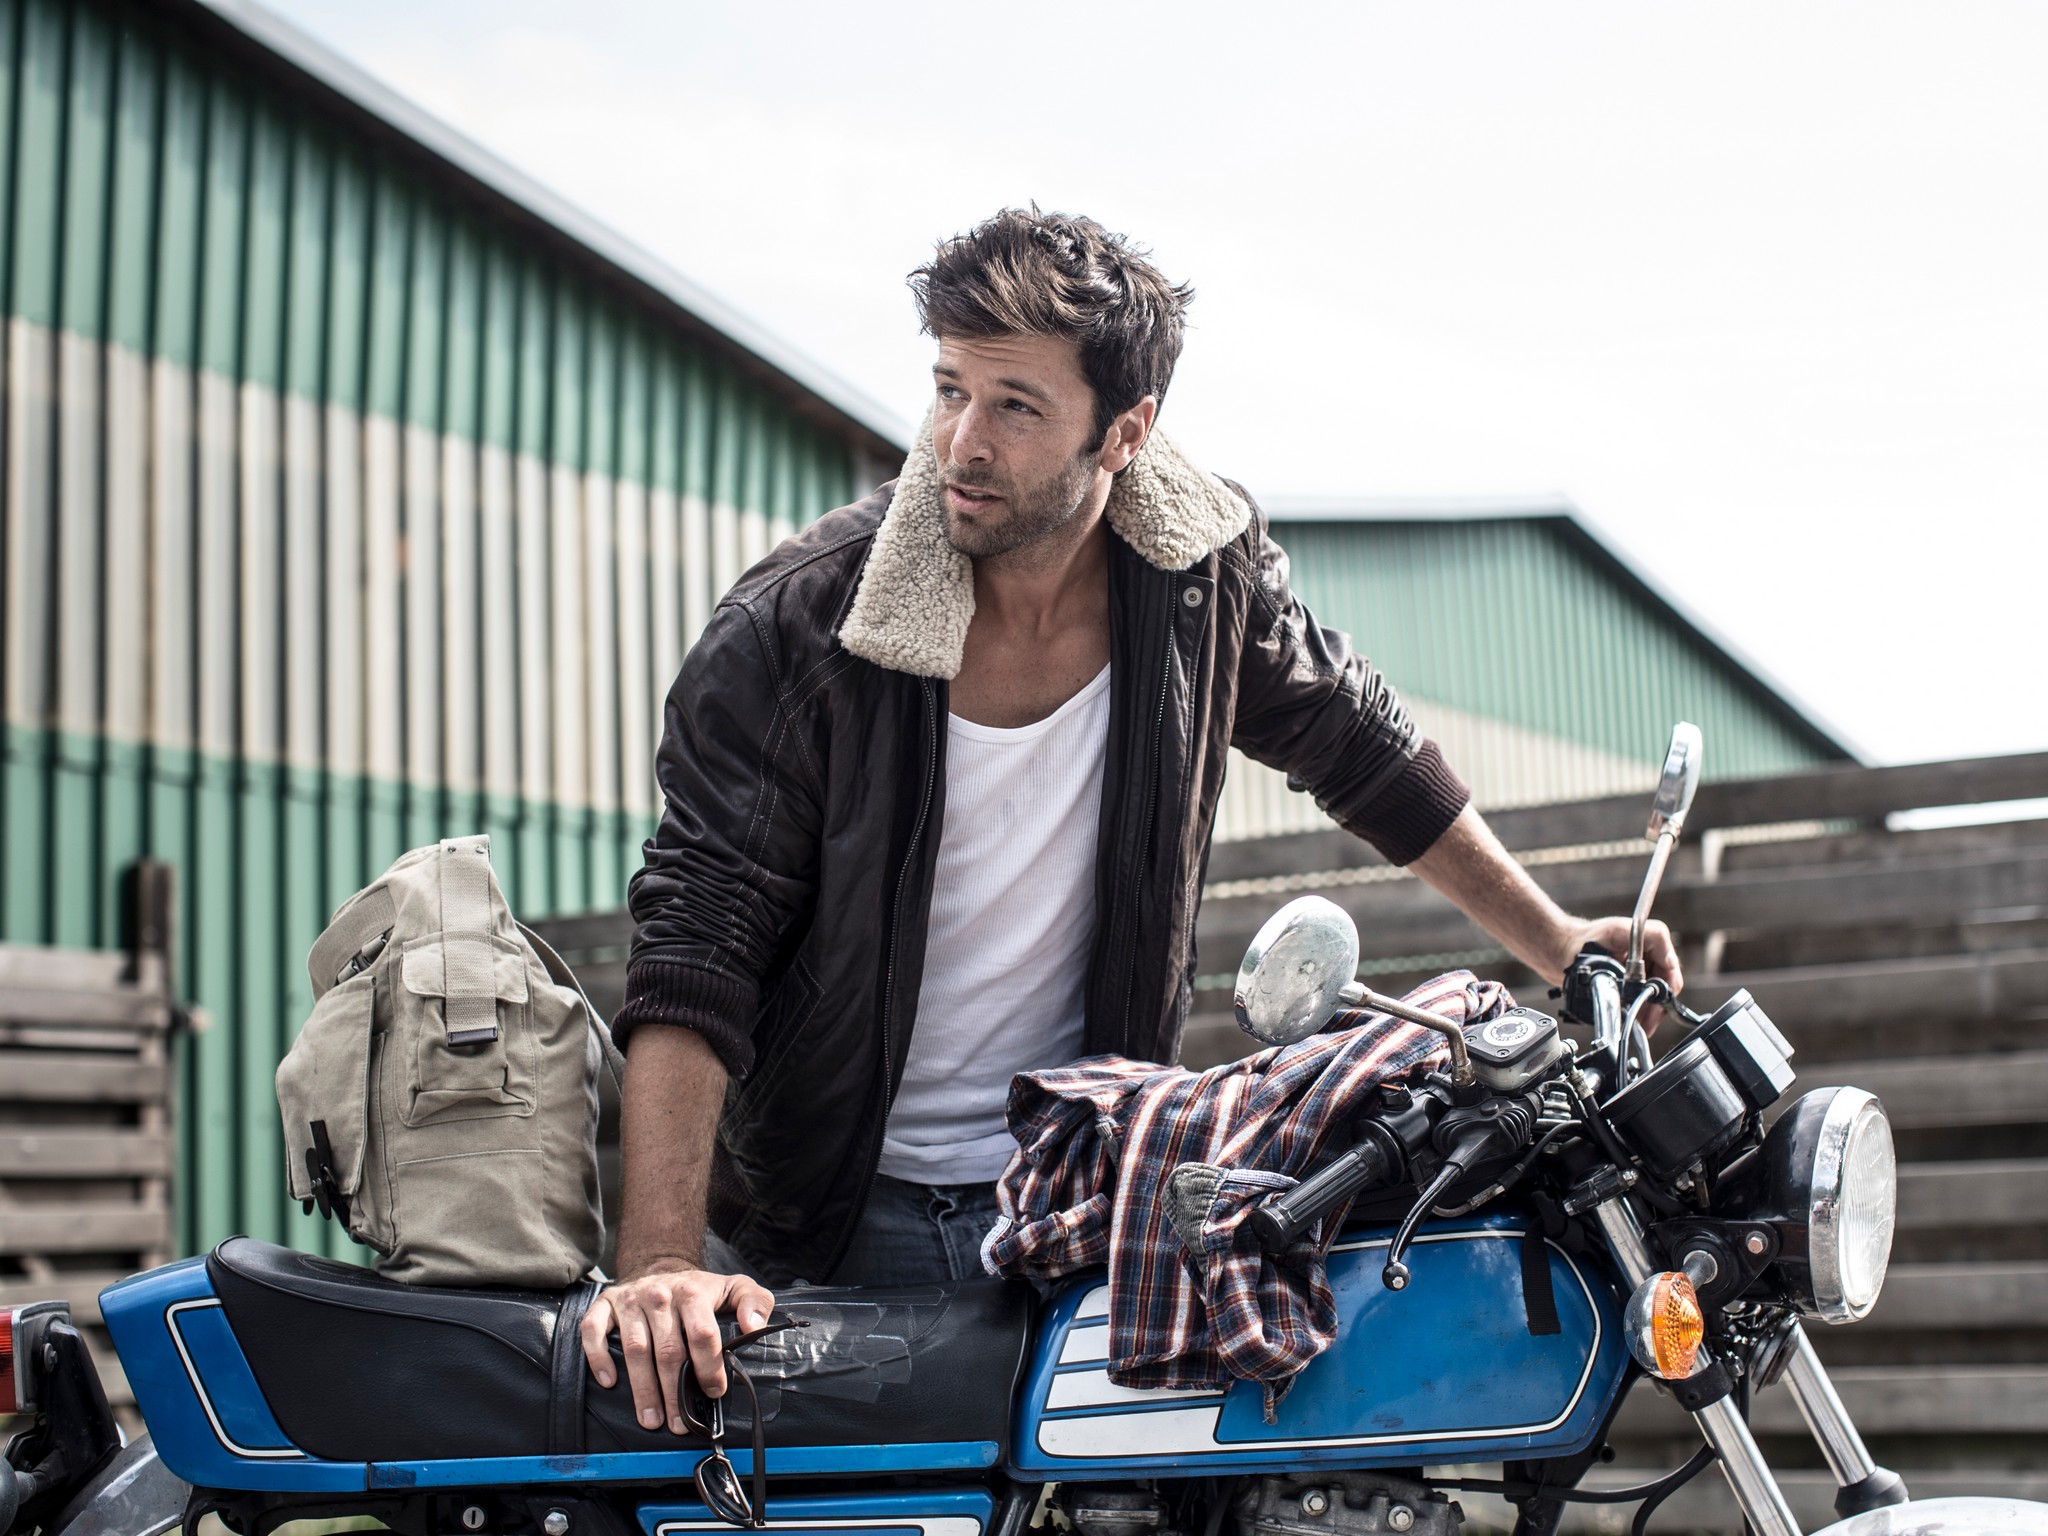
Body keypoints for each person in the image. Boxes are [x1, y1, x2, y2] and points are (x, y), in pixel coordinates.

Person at [577, 208, 1680, 1437]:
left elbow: (1360, 748)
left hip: (1074, 1192)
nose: (959, 441)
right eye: (947, 389)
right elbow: (696, 942)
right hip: (830, 1218)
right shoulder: (800, 629)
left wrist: (1559, 941)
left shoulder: (1198, 583)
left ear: (1126, 430)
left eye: (1013, 404)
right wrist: (661, 1262)